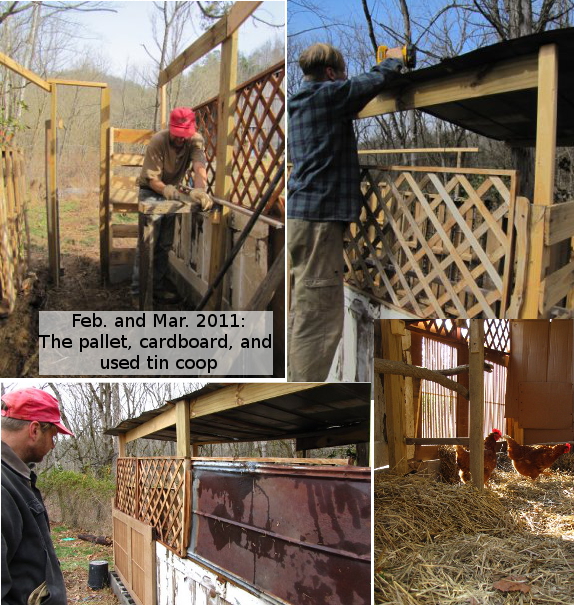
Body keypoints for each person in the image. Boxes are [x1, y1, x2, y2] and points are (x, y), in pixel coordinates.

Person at [287, 43, 404, 381]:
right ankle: (305, 392)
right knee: (320, 315)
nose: (344, 81)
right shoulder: (325, 96)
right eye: (341, 75)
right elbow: (366, 84)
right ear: (330, 74)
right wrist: (393, 62)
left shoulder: (303, 102)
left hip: (304, 218)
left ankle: (296, 378)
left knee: (306, 305)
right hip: (317, 221)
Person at [132, 106, 214, 304]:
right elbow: (152, 180)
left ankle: (157, 287)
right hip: (151, 190)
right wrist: (167, 190)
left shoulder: (195, 140)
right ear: (171, 129)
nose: (180, 139)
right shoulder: (158, 142)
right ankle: (138, 292)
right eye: (177, 134)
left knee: (164, 243)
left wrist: (200, 190)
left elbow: (199, 165)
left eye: (184, 135)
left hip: (172, 192)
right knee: (148, 242)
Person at [1, 388, 75, 605]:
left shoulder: (15, 476)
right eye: (52, 436)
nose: (53, 444)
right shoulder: (3, 487)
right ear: (34, 430)